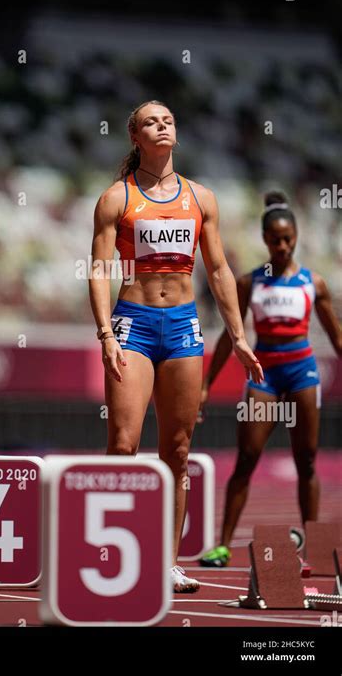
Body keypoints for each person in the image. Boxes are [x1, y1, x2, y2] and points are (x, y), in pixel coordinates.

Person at [88, 99, 263, 592]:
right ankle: (108, 555)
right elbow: (100, 271)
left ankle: (164, 563)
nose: (161, 126)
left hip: (184, 326)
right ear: (135, 138)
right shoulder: (115, 199)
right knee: (123, 444)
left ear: (176, 134)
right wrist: (105, 333)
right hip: (134, 325)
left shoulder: (201, 198)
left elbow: (221, 270)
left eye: (167, 120)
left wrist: (239, 335)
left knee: (178, 452)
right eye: (150, 122)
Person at [199, 191, 342, 568]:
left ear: (296, 237)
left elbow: (338, 339)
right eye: (275, 239)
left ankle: (313, 546)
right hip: (263, 374)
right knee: (247, 457)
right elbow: (231, 335)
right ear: (265, 239)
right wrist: (205, 385)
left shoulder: (315, 284)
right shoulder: (250, 283)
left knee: (306, 461)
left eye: (288, 239)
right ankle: (223, 545)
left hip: (302, 373)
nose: (282, 246)